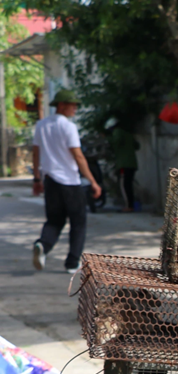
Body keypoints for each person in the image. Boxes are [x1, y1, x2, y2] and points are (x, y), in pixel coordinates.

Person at [32, 89, 102, 274]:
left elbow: (36, 152)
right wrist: (93, 181)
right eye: (73, 105)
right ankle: (72, 263)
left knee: (54, 219)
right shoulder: (68, 127)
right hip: (70, 182)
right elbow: (78, 156)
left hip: (50, 181)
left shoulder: (41, 125)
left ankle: (43, 245)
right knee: (78, 222)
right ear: (62, 105)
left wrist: (36, 178)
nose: (75, 109)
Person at [106, 117, 140, 212]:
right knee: (128, 184)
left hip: (124, 163)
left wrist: (108, 138)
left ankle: (129, 206)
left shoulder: (117, 132)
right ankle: (130, 205)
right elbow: (137, 146)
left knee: (124, 185)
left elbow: (115, 142)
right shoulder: (128, 133)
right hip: (132, 163)